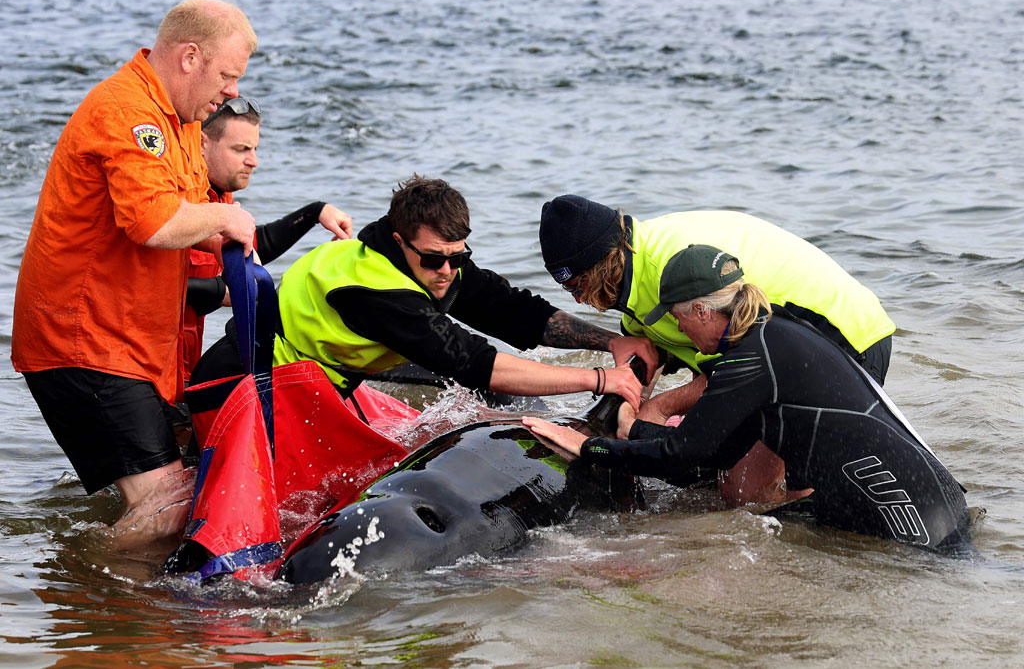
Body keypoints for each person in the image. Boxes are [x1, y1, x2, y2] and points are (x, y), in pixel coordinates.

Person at [524, 245, 971, 552]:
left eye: (678, 319)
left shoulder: (750, 361)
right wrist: (634, 428)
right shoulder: (770, 333)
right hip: (938, 504)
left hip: (914, 526)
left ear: (701, 310)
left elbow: (679, 456)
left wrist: (587, 446)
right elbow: (711, 455)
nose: (678, 331)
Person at [11, 0, 259, 550]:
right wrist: (224, 215)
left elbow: (193, 220)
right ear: (190, 56)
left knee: (180, 491)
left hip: (130, 343)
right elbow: (154, 223)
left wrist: (232, 241)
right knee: (169, 505)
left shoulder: (182, 124)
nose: (232, 92)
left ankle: (132, 601)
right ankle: (82, 576)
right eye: (227, 76)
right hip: (81, 341)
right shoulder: (129, 113)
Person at [194, 175, 657, 410]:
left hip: (313, 383)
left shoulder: (437, 261)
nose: (448, 271)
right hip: (243, 385)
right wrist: (599, 379)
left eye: (458, 256)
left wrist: (609, 341)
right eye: (435, 259)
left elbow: (510, 310)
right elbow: (477, 364)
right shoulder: (377, 293)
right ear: (400, 242)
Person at [538, 195, 897, 423]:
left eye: (575, 286)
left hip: (841, 335)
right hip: (777, 347)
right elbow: (652, 361)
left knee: (768, 482)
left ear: (602, 264)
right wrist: (622, 412)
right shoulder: (630, 272)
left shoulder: (676, 268)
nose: (578, 301)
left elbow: (743, 371)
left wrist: (660, 408)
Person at [183, 96, 353, 385]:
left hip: (182, 357)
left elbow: (250, 244)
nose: (254, 161)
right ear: (202, 144)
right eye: (241, 149)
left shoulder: (218, 193)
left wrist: (313, 213)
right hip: (137, 362)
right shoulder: (180, 198)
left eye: (255, 149)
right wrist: (218, 292)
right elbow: (145, 283)